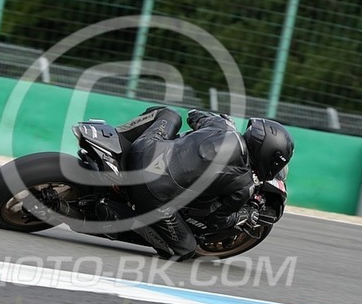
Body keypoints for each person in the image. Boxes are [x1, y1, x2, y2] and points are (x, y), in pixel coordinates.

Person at [114, 106, 294, 261]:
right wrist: (244, 215)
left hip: (144, 148)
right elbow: (216, 221)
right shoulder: (244, 185)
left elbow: (193, 115)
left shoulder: (222, 126)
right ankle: (126, 219)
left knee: (169, 113)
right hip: (152, 193)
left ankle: (116, 137)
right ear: (267, 156)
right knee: (185, 250)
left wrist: (217, 119)